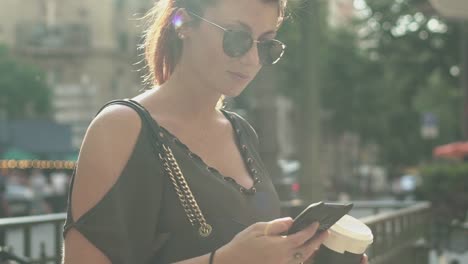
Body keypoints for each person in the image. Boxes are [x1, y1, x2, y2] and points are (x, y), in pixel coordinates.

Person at [62, 0, 369, 263]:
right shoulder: (121, 127)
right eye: (236, 37)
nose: (251, 59)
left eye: (266, 45)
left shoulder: (241, 132)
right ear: (183, 23)